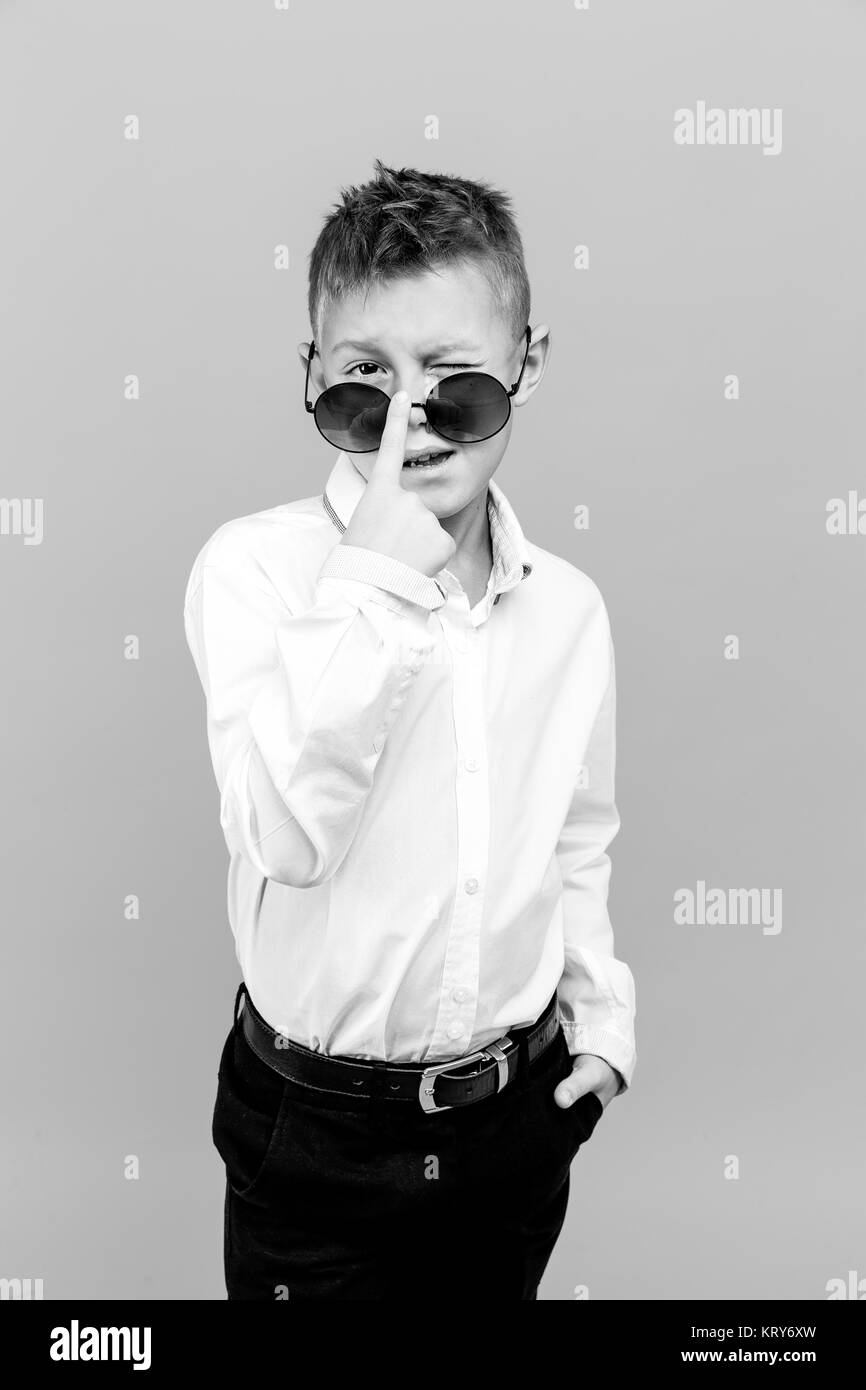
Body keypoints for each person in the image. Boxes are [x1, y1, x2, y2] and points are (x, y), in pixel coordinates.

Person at [183, 158, 636, 1300]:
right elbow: (289, 839)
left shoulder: (567, 610)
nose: (410, 429)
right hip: (316, 1135)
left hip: (510, 1128)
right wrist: (375, 578)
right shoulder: (252, 573)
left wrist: (600, 1020)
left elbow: (573, 838)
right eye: (363, 390)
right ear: (312, 380)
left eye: (456, 386)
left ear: (526, 365)